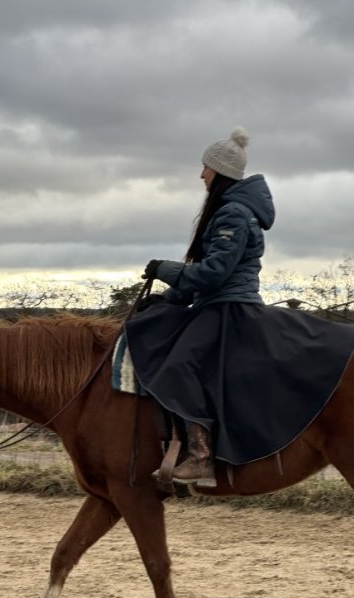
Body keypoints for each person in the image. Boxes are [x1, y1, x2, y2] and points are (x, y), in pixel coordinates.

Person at [125, 127, 275, 487]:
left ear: (220, 171)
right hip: (215, 302)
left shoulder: (233, 214)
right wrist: (169, 297)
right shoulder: (230, 210)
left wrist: (166, 271)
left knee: (179, 366)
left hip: (230, 308)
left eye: (206, 168)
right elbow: (205, 278)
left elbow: (214, 273)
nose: (201, 174)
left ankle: (202, 456)